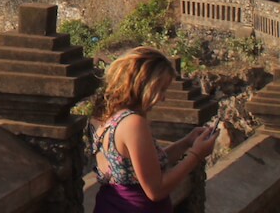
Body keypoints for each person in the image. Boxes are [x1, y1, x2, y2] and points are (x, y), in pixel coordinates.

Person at [90, 47, 217, 212]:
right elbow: (155, 190)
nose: (163, 98)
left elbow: (143, 166)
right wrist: (196, 155)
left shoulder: (103, 117)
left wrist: (186, 143)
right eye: (161, 89)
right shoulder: (133, 123)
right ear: (143, 85)